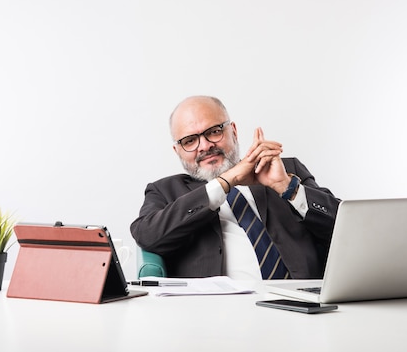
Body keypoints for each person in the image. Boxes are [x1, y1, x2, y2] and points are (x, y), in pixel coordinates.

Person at [130, 96, 340, 280]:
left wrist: (288, 187)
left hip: (303, 305)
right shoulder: (164, 190)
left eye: (213, 132)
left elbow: (346, 228)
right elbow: (146, 235)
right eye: (190, 140)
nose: (204, 146)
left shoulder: (286, 170)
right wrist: (226, 182)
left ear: (234, 131)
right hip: (220, 313)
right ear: (177, 151)